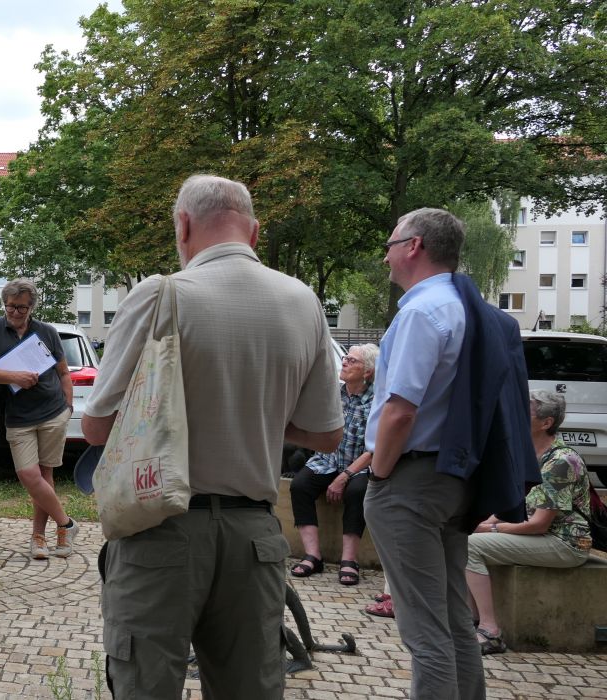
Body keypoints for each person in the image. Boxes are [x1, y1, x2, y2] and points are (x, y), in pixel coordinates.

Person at [81, 174, 343, 699]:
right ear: (255, 231)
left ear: (183, 224)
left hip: (161, 532)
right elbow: (327, 435)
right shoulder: (302, 300)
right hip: (256, 539)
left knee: (147, 686)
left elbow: (96, 424)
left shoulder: (161, 295)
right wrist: (260, 417)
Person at [363, 207, 535, 700]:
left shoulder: (421, 311)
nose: (386, 256)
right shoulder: (469, 307)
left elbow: (400, 411)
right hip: (456, 482)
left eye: (391, 244)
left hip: (410, 483)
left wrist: (378, 476)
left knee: (425, 632)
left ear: (413, 246)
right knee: (456, 620)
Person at [464, 390, 593, 655]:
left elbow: (539, 524)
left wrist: (490, 528)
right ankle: (467, 620)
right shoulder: (525, 455)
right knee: (461, 536)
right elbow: (510, 505)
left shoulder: (561, 461)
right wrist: (481, 522)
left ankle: (490, 630)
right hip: (539, 535)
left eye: (526, 411)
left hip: (565, 542)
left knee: (470, 545)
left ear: (546, 423)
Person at [0, 280, 80, 560]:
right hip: (18, 416)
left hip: (52, 412)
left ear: (31, 307)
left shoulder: (46, 331)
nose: (14, 312)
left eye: (21, 308)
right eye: (10, 307)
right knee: (28, 475)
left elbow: (63, 372)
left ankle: (40, 538)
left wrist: (68, 406)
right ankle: (67, 523)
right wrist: (13, 377)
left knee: (46, 476)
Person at [288, 343, 379, 586]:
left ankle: (349, 560)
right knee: (299, 485)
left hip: (359, 465)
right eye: (346, 358)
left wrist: (345, 475)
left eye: (352, 360)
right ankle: (312, 555)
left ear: (368, 371)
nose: (345, 362)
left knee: (358, 491)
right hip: (327, 459)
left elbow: (375, 448)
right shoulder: (333, 395)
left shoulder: (377, 401)